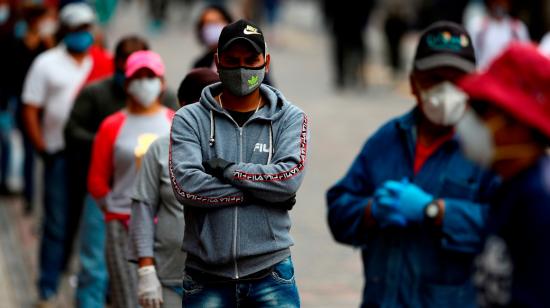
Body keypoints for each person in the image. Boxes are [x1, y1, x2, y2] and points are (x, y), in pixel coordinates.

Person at [326, 21, 498, 307]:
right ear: (413, 82)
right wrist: (370, 211)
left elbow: (507, 229)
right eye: (434, 79)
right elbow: (339, 210)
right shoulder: (387, 140)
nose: (445, 92)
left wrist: (436, 211)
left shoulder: (487, 151)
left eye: (455, 80)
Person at [170, 19, 308, 307]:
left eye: (251, 60)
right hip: (206, 276)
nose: (242, 69)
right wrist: (261, 194)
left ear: (266, 62)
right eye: (232, 61)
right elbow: (186, 186)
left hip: (271, 273)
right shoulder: (189, 118)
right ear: (217, 63)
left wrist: (227, 169)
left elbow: (288, 178)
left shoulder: (289, 117)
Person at [65, 35, 177, 308]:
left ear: (162, 83)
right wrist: (115, 209)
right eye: (138, 77)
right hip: (121, 224)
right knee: (129, 296)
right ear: (126, 83)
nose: (144, 83)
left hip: (166, 226)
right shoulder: (112, 126)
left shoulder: (175, 123)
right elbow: (97, 180)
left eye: (150, 77)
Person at [456, 43, 550, 307]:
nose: (470, 122)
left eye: (483, 112)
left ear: (517, 125)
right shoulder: (503, 183)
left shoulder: (540, 205)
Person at [21, 3, 96, 305]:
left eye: (85, 29)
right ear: (65, 29)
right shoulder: (46, 63)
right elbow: (30, 107)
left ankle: (68, 269)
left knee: (81, 220)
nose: (81, 35)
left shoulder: (100, 63)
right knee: (55, 221)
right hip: (58, 154)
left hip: (92, 155)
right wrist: (41, 147)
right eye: (76, 29)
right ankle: (48, 285)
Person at [128, 68, 219, 308]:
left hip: (221, 279)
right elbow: (143, 209)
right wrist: (146, 269)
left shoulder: (234, 147)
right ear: (182, 105)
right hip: (169, 274)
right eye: (199, 104)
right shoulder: (160, 149)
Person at [6, 3, 56, 210]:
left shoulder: (48, 46)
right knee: (28, 151)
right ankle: (30, 196)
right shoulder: (15, 45)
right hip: (25, 106)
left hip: (47, 108)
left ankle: (46, 197)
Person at [322, 0, 374, 89]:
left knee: (351, 48)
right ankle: (344, 75)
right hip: (346, 18)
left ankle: (354, 74)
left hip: (351, 19)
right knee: (346, 48)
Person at [469, 0, 530, 69]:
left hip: (509, 76)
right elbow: (471, 56)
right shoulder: (477, 26)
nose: (499, 4)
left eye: (503, 1)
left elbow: (524, 59)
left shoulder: (518, 28)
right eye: (495, 1)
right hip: (484, 74)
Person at [192, 4, 233, 70]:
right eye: (207, 23)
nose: (212, 28)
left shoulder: (243, 56)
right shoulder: (200, 65)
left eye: (216, 22)